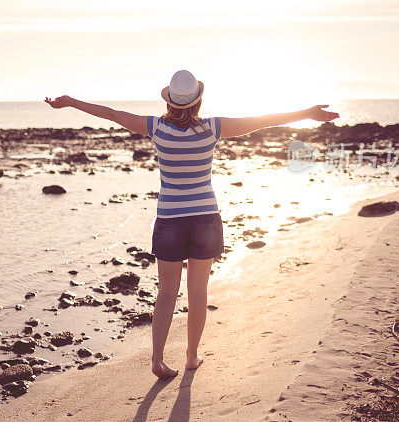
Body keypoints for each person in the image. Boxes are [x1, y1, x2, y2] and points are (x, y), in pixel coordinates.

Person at [45, 70, 339, 379]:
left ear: (170, 101)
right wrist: (308, 113)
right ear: (198, 102)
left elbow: (111, 113)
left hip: (170, 218)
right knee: (198, 291)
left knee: (166, 293)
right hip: (204, 218)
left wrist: (70, 102)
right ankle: (191, 356)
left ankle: (158, 360)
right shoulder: (212, 129)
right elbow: (264, 119)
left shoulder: (156, 128)